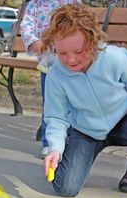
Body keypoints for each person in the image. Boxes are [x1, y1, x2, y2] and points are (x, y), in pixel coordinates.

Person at [42, 3, 127, 196]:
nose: (71, 60)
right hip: (86, 130)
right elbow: (56, 118)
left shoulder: (113, 57)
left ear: (92, 41)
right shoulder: (56, 76)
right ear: (53, 47)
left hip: (123, 121)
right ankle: (66, 157)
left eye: (79, 51)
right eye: (62, 53)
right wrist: (55, 148)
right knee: (66, 189)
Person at [20, 0, 82, 159]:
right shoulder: (35, 4)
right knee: (51, 102)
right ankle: (50, 143)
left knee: (72, 101)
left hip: (71, 60)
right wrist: (33, 41)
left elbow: (81, 21)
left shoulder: (72, 2)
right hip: (49, 63)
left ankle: (70, 139)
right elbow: (26, 25)